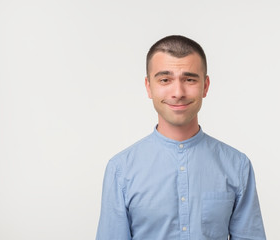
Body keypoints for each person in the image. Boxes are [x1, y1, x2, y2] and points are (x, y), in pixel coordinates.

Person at [96, 35, 266, 240]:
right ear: (149, 86)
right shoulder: (121, 170)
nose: (178, 92)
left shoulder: (237, 165)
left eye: (189, 79)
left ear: (205, 86)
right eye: (165, 80)